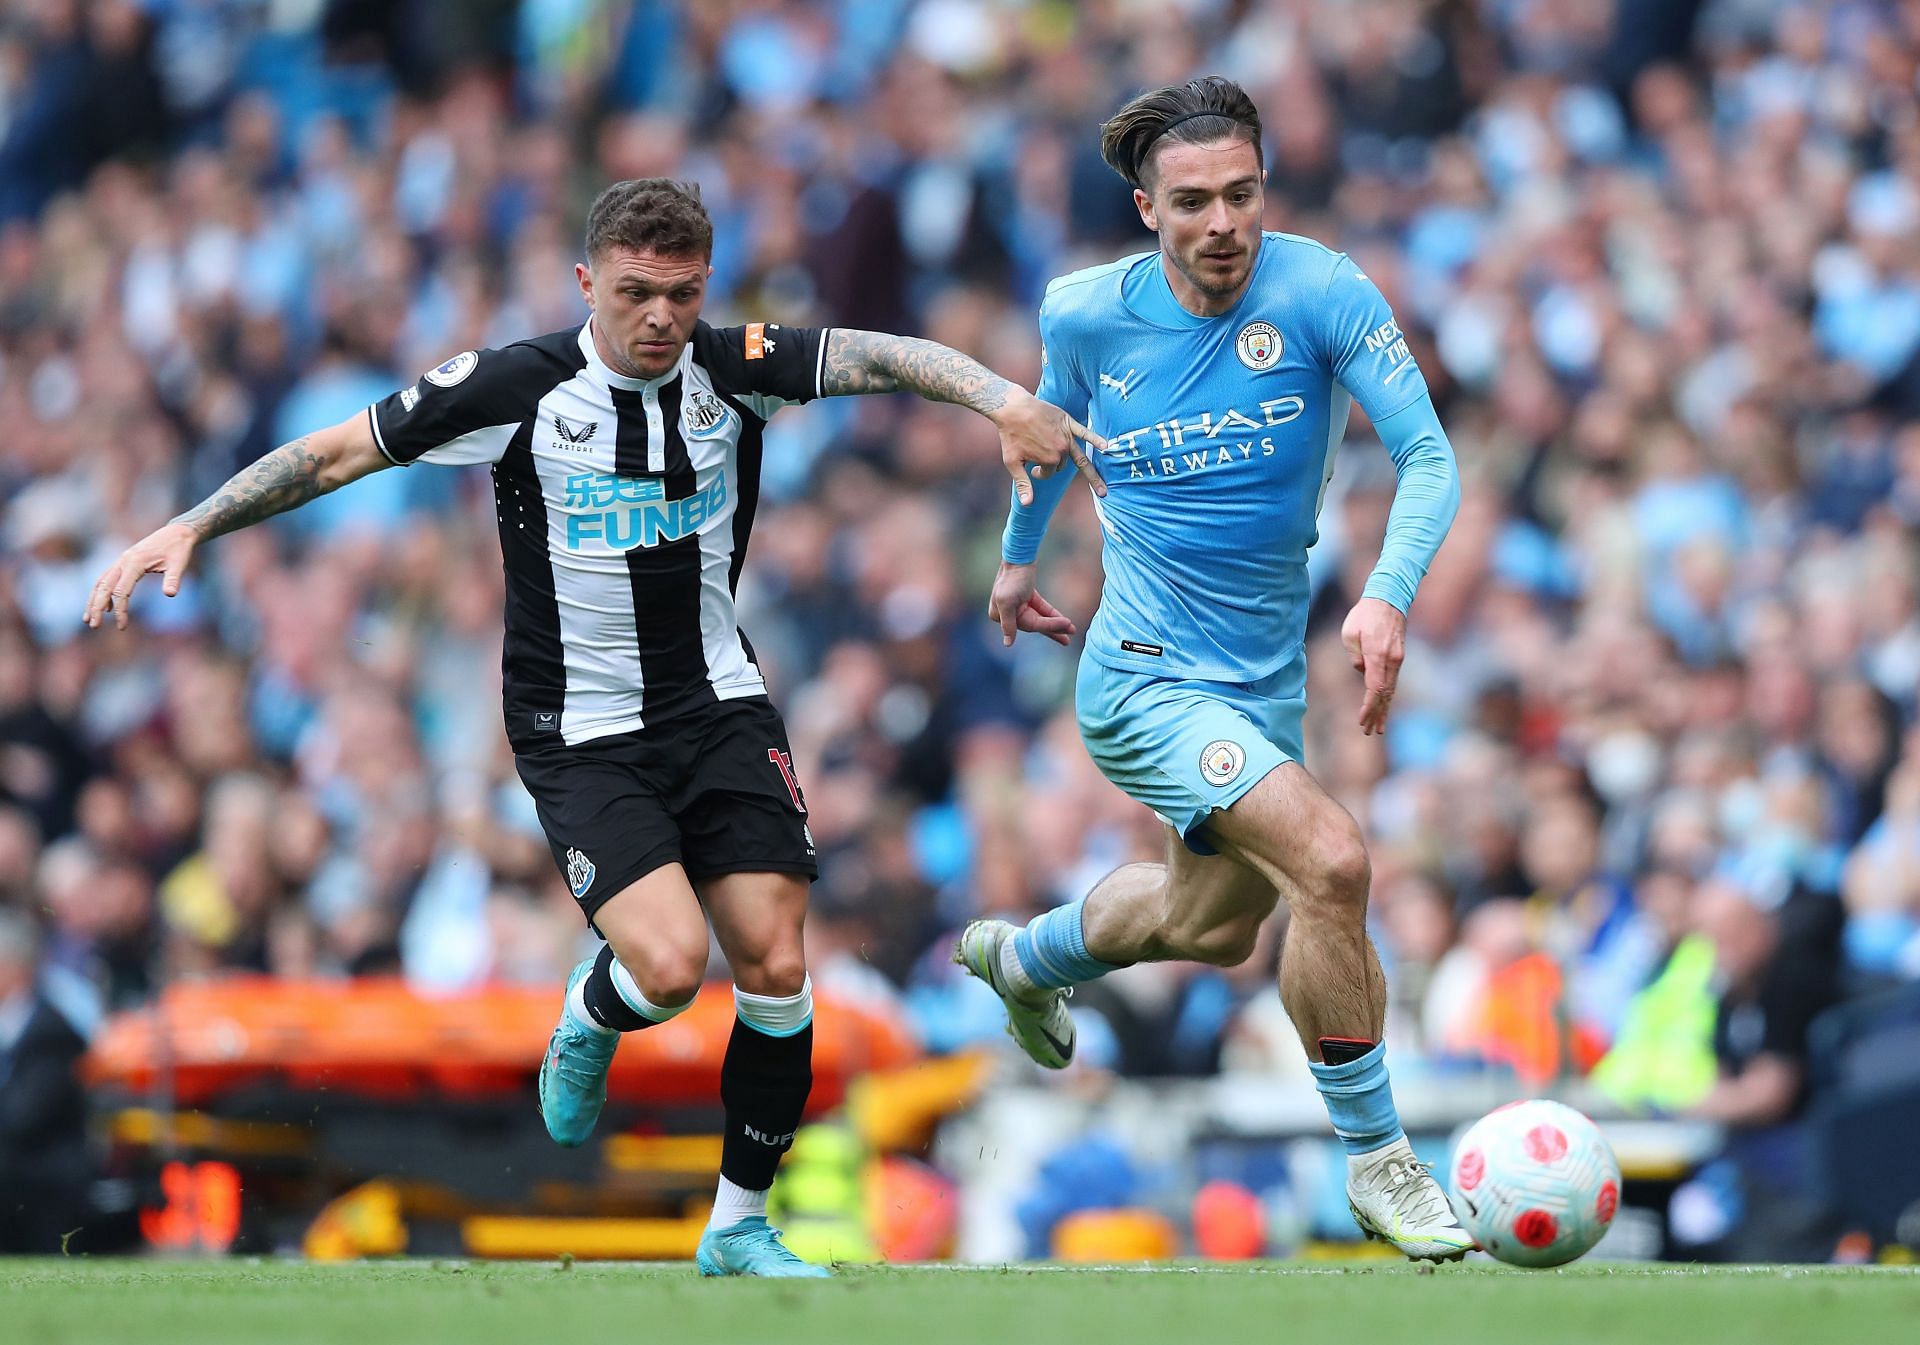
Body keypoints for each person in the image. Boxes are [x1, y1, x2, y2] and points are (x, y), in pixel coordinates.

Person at [84, 177, 1101, 1278]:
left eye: (681, 293)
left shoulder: (732, 368)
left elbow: (887, 352)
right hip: (580, 728)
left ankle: (738, 1227)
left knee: (772, 957)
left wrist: (1001, 398)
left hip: (717, 701)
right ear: (587, 283)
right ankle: (594, 1005)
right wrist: (192, 521)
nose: (661, 317)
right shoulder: (516, 388)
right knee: (668, 968)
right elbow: (335, 452)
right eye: (635, 294)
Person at [955, 78, 1471, 1260]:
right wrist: (1012, 562)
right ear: (1147, 209)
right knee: (1332, 862)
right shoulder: (1085, 314)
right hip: (1139, 677)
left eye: (1242, 194)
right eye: (1193, 202)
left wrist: (1386, 594)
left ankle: (1024, 957)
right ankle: (1382, 1161)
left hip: (1259, 687)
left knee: (1208, 928)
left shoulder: (1323, 288)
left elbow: (1428, 457)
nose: (1223, 222)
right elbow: (1042, 440)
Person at [0, 907, 92, 1254]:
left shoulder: (52, 1032)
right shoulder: (12, 1025)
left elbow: (23, 1116)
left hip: (41, 1170)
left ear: (14, 967)